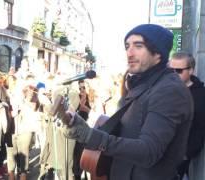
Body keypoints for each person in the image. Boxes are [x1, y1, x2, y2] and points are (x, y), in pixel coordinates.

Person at [56, 24, 194, 180]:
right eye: (127, 46)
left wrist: (90, 136)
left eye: (138, 46)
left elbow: (148, 152)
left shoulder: (169, 90)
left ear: (158, 53)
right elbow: (124, 133)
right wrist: (80, 126)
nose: (130, 52)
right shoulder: (142, 84)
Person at [169, 52, 205, 180]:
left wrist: (186, 153)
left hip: (179, 157)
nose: (173, 74)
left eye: (178, 70)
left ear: (191, 70)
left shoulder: (200, 95)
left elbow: (200, 128)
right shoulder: (163, 90)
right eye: (170, 70)